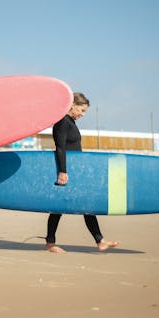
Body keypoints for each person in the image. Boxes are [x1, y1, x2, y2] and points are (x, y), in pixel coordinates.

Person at [45, 92, 119, 253]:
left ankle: (100, 240)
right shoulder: (62, 122)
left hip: (75, 171)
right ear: (72, 105)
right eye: (82, 110)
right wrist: (62, 171)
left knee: (82, 205)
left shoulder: (70, 121)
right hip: (67, 171)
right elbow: (60, 147)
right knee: (59, 207)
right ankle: (51, 244)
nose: (82, 114)